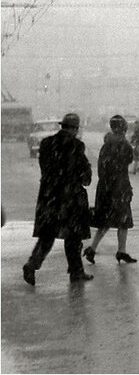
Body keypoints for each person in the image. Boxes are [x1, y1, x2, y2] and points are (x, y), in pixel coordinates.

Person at [22, 113, 94, 285]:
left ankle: (32, 265)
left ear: (63, 126)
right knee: (73, 236)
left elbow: (44, 168)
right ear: (75, 128)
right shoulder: (76, 146)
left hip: (49, 197)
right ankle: (76, 271)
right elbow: (85, 177)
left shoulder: (47, 143)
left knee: (47, 235)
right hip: (70, 198)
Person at [84, 115, 138, 264]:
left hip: (105, 187)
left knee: (105, 220)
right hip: (119, 188)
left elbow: (102, 167)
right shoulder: (124, 145)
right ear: (123, 128)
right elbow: (129, 160)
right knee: (123, 220)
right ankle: (121, 251)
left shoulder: (106, 145)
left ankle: (92, 249)